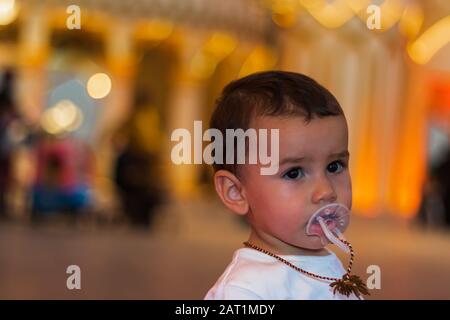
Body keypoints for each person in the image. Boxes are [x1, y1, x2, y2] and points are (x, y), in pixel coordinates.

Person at [204, 71, 362, 300]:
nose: (326, 191)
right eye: (294, 173)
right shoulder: (245, 290)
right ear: (236, 192)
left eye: (334, 166)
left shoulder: (329, 264)